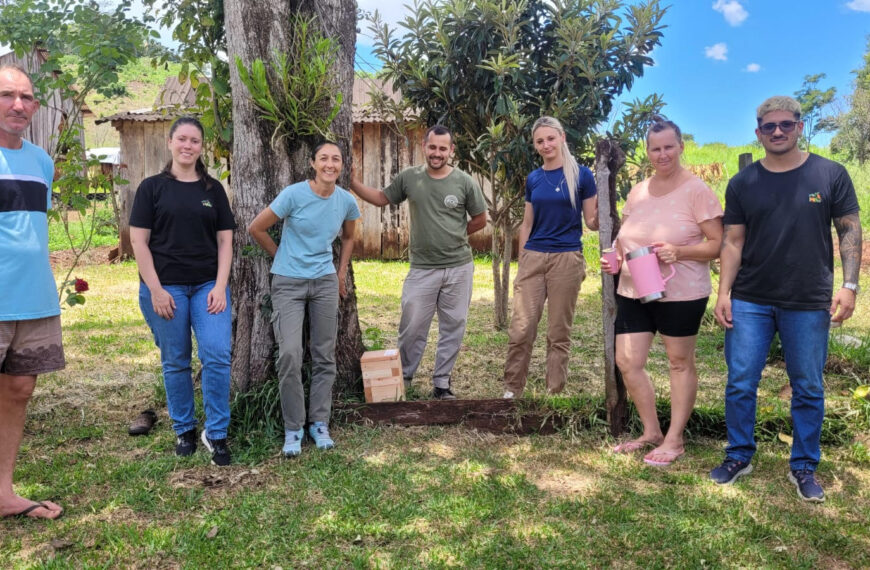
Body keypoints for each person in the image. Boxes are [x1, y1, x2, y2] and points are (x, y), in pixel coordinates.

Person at [711, 96, 861, 501]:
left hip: (808, 299)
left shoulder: (829, 174)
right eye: (769, 126)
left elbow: (849, 229)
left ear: (799, 127)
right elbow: (732, 240)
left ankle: (804, 466)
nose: (777, 132)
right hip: (750, 298)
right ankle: (738, 455)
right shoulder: (743, 183)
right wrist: (723, 293)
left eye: (786, 125)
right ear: (758, 132)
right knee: (741, 381)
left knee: (808, 386)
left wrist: (849, 286)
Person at [604, 118, 723, 467]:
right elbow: (625, 236)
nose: (663, 154)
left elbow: (718, 244)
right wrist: (615, 257)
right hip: (633, 288)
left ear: (681, 146)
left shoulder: (697, 191)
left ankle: (675, 438)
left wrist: (680, 252)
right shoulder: (638, 191)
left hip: (682, 292)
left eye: (669, 146)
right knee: (627, 361)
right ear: (648, 151)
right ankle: (651, 431)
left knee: (679, 362)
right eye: (655, 148)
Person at [349, 125, 487, 400]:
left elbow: (480, 219)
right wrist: (352, 182)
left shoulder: (464, 182)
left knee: (453, 325)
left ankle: (442, 383)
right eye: (432, 147)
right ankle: (404, 379)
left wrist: (455, 234)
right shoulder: (410, 178)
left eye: (443, 148)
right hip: (422, 268)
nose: (437, 153)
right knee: (412, 325)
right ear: (424, 146)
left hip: (459, 267)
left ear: (451, 151)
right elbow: (382, 198)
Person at [130, 116, 236, 466]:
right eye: (182, 139)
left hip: (208, 286)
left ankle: (216, 433)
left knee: (217, 354)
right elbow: (139, 242)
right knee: (176, 360)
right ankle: (184, 429)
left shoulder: (213, 190)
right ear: (170, 142)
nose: (188, 146)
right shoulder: (152, 188)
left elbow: (225, 241)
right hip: (165, 287)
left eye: (194, 141)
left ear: (201, 147)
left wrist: (220, 285)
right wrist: (156, 289)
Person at [248, 142, 359, 457]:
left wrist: (340, 272)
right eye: (323, 158)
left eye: (335, 159)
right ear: (312, 163)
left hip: (324, 282)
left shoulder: (346, 201)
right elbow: (256, 228)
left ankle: (319, 423)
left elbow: (349, 236)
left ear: (341, 165)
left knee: (325, 355)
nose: (329, 164)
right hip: (288, 283)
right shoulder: (294, 195)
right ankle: (293, 428)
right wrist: (281, 255)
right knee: (290, 355)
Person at [0, 65, 65, 520]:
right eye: (7, 95)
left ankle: (3, 493)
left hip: (34, 299)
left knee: (20, 389)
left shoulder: (42, 161)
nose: (18, 105)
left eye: (26, 97)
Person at [502, 116, 599, 399]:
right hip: (533, 257)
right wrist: (523, 259)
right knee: (521, 328)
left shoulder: (582, 175)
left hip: (566, 258)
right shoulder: (534, 178)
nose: (546, 145)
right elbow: (527, 223)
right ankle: (511, 391)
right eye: (540, 141)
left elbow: (591, 221)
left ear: (562, 137)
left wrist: (609, 214)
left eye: (550, 139)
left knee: (558, 332)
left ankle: (554, 393)